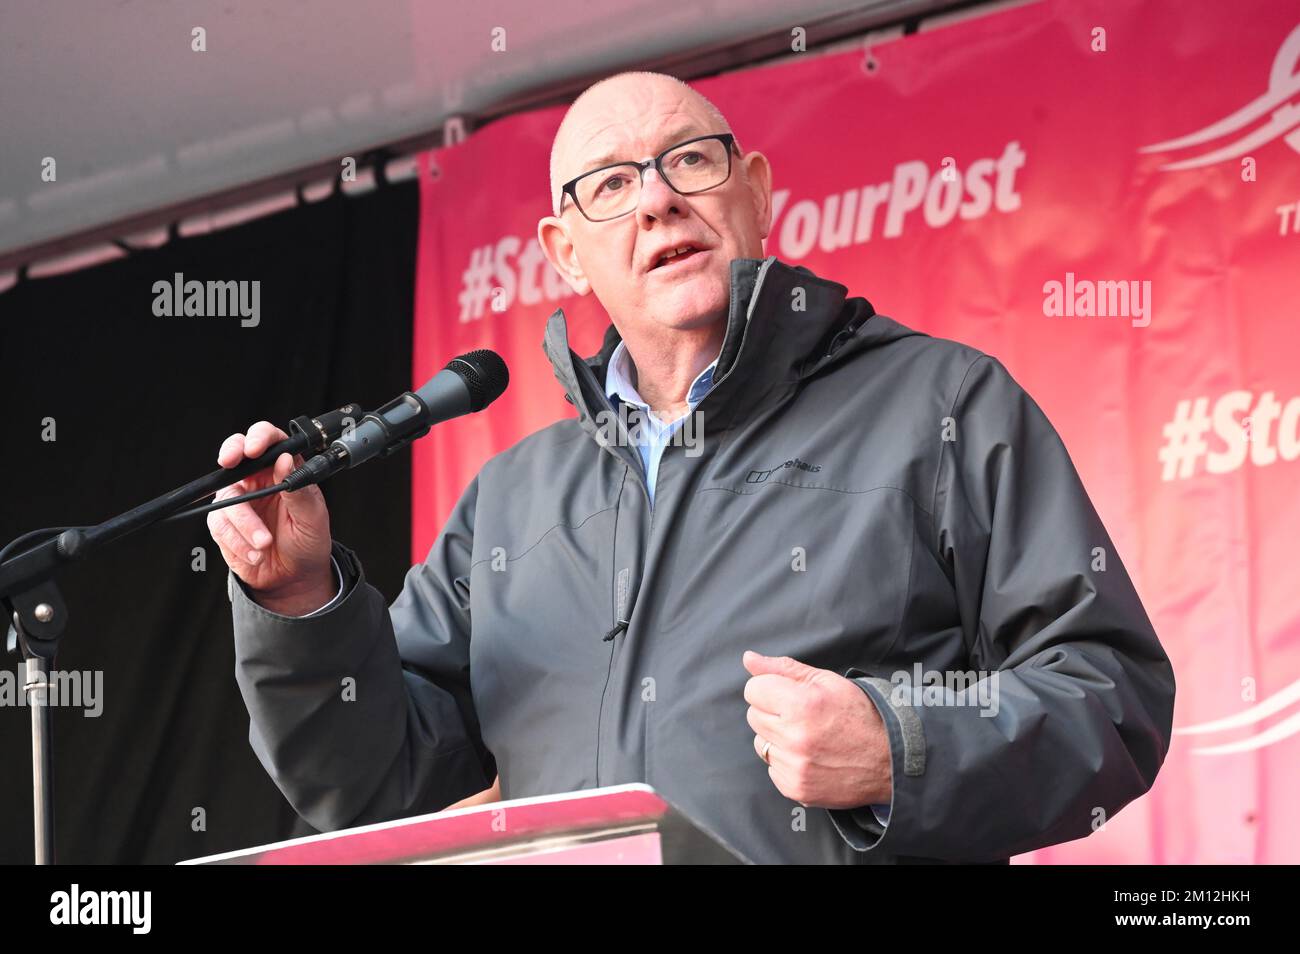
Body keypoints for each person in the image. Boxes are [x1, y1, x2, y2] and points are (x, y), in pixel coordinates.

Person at [207, 71, 1175, 864]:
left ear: (754, 192)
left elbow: (1108, 693)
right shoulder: (511, 501)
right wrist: (300, 607)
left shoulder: (942, 405)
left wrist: (900, 745)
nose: (657, 197)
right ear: (566, 251)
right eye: (610, 184)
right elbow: (381, 784)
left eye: (689, 160)